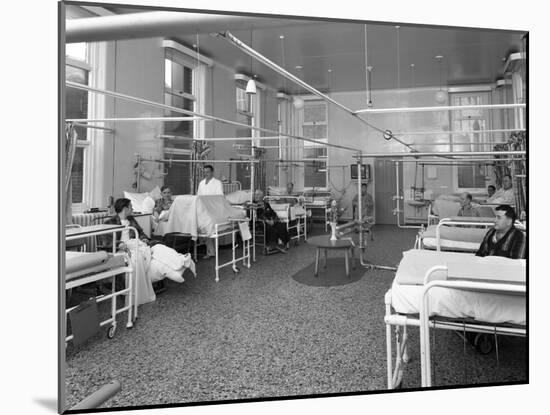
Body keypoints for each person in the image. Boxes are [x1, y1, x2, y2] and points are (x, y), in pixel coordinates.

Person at [197, 165, 224, 259]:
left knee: (208, 225)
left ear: (212, 172)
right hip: (203, 208)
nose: (206, 174)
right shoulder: (201, 183)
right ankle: (210, 250)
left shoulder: (217, 183)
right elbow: (198, 196)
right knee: (201, 225)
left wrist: (210, 203)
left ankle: (211, 251)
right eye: (204, 172)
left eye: (208, 172)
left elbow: (220, 196)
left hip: (213, 208)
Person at [252, 189, 289, 253]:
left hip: (270, 221)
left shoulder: (266, 204)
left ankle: (284, 243)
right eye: (255, 194)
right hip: (260, 222)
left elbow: (273, 213)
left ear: (262, 196)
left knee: (281, 225)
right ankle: (272, 245)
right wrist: (267, 221)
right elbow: (258, 215)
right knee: (270, 228)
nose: (256, 196)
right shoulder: (253, 204)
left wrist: (273, 220)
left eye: (258, 194)